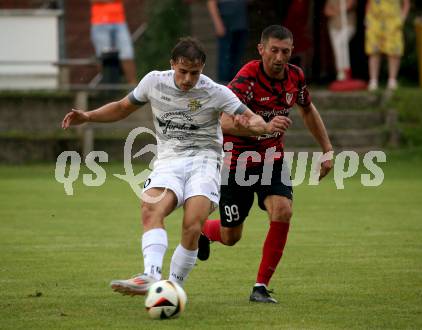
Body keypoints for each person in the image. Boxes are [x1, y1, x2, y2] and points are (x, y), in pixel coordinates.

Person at [61, 37, 291, 295]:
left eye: (194, 73)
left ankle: (172, 287)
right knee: (151, 209)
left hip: (205, 163)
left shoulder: (215, 92)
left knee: (192, 224)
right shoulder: (153, 81)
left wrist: (262, 126)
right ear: (172, 65)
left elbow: (251, 118)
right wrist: (88, 116)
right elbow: (122, 108)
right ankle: (150, 275)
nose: (187, 79)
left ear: (202, 68)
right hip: (168, 162)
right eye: (182, 72)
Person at [198, 25, 334, 303]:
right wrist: (261, 128)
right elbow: (222, 121)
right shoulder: (247, 78)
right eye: (274, 50)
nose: (279, 57)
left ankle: (260, 286)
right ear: (261, 50)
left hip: (271, 159)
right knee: (231, 235)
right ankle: (204, 230)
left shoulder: (295, 76)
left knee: (282, 210)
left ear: (291, 51)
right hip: (236, 162)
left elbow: (307, 109)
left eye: (285, 51)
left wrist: (327, 149)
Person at [365, 0, 410, 91]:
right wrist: (367, 18)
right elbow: (369, 3)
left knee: (393, 51)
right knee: (374, 51)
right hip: (375, 20)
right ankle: (373, 81)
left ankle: (392, 80)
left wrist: (402, 18)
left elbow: (406, 3)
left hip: (393, 21)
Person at [90, 0, 137, 84]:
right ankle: (106, 88)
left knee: (127, 55)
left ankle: (134, 91)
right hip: (99, 22)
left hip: (119, 21)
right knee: (102, 57)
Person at [206, 0, 248, 84]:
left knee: (237, 60)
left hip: (240, 24)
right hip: (226, 25)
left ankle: (236, 87)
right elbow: (211, 3)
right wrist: (218, 24)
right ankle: (224, 86)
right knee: (225, 60)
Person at [324, 0, 357, 81]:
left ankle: (346, 70)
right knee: (337, 49)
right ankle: (340, 72)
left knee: (340, 43)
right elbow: (327, 11)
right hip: (334, 26)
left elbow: (348, 6)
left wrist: (335, 10)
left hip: (347, 25)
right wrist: (338, 10)